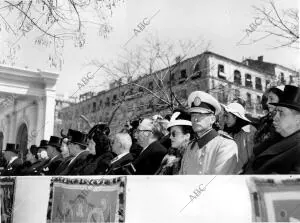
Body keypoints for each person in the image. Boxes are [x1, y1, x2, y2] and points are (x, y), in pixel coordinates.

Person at [243, 85, 300, 174]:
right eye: (276, 112)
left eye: (281, 112)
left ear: (298, 119)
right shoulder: (274, 139)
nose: (275, 117)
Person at [179, 91, 238, 175]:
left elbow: (218, 183)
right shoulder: (190, 147)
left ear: (212, 119)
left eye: (200, 115)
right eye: (193, 115)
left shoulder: (226, 145)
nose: (195, 119)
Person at [156, 109, 194, 175]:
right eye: (170, 134)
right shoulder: (172, 154)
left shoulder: (190, 159)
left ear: (187, 136)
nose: (170, 137)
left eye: (174, 134)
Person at [222, 102, 255, 172]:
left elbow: (252, 158)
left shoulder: (249, 131)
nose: (225, 120)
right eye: (224, 116)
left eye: (227, 116)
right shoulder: (230, 133)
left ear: (235, 117)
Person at [252, 86, 284, 155]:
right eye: (267, 99)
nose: (267, 103)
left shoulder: (284, 124)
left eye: (271, 99)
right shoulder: (265, 120)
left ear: (281, 100)